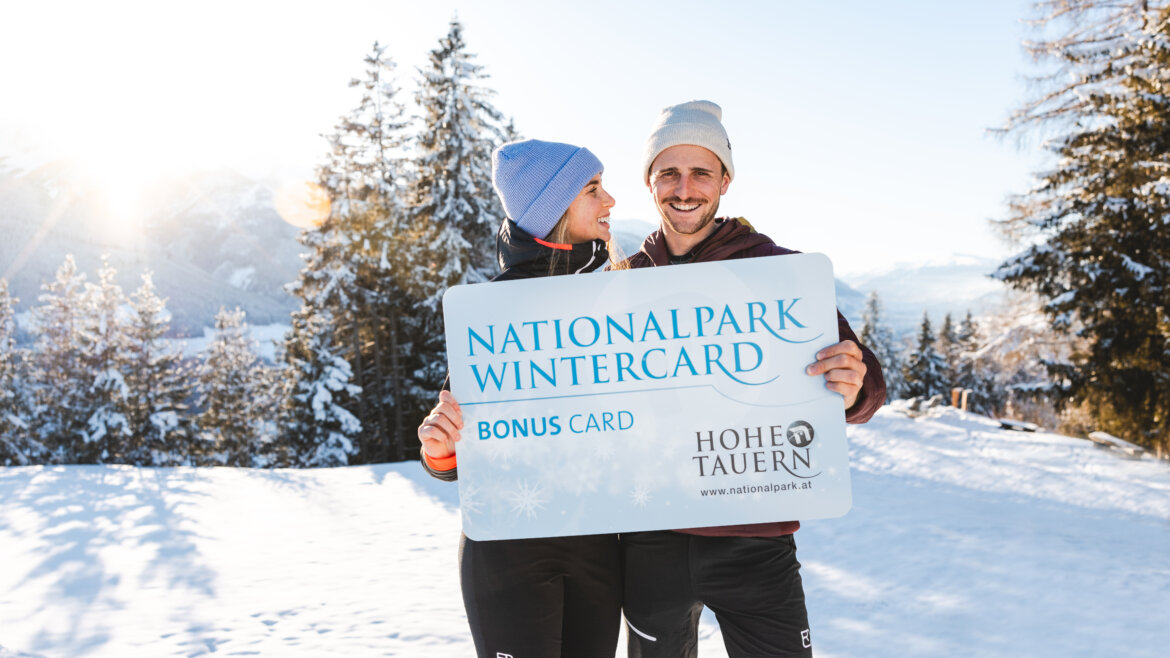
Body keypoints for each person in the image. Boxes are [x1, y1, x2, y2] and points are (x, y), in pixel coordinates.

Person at [619, 100, 887, 657]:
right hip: (652, 539)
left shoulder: (780, 273)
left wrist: (854, 384)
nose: (684, 188)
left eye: (701, 172)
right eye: (668, 171)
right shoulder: (622, 284)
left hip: (754, 536)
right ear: (649, 182)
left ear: (725, 181)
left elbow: (865, 387)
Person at [417, 139, 623, 658]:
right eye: (593, 190)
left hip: (596, 548)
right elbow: (458, 458)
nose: (610, 202)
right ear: (555, 209)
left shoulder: (616, 302)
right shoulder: (487, 315)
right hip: (507, 550)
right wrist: (441, 446)